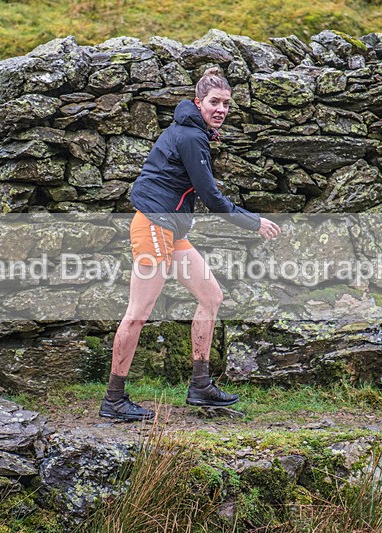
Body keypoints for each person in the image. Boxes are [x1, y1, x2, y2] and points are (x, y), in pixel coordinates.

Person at [99, 67, 282, 421]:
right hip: (154, 224)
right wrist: (253, 221)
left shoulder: (194, 131)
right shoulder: (191, 136)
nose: (221, 109)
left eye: (227, 104)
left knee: (211, 296)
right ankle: (113, 400)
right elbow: (211, 196)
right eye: (215, 102)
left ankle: (200, 385)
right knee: (138, 314)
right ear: (198, 103)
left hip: (172, 229)